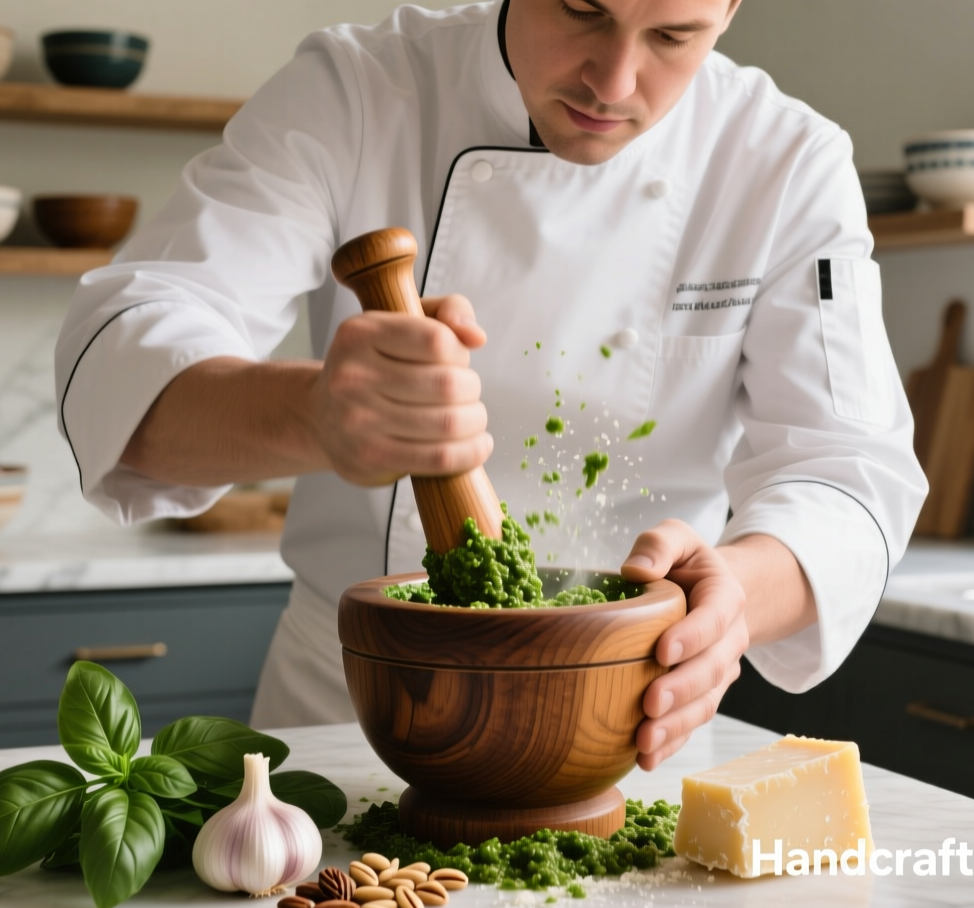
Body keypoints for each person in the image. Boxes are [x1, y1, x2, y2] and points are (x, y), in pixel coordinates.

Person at [54, 0, 927, 770]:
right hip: (347, 717)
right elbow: (128, 344)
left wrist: (734, 596)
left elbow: (849, 470)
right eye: (581, 9)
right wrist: (311, 413)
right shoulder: (361, 89)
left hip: (629, 729)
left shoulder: (784, 162)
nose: (613, 80)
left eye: (672, 34)